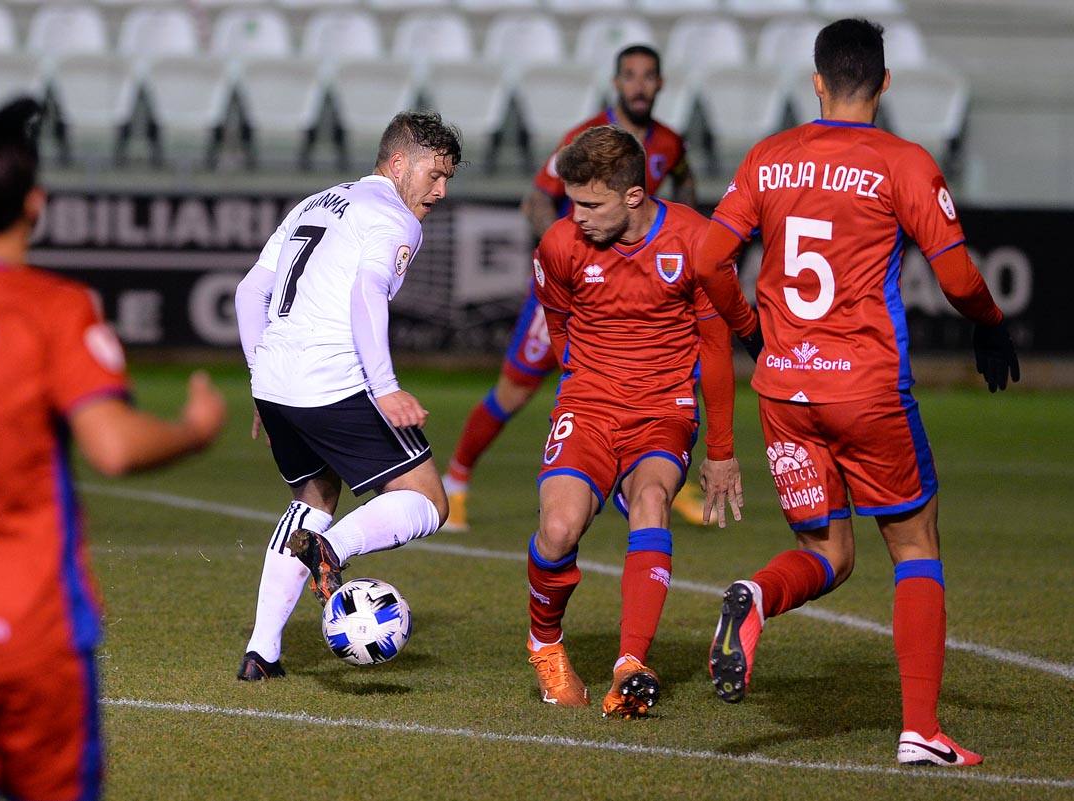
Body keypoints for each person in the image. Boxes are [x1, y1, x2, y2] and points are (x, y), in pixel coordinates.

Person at [695, 18, 1019, 766]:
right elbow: (959, 276)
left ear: (815, 82)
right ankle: (920, 730)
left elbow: (710, 262)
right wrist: (989, 324)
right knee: (913, 543)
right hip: (864, 387)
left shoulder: (768, 157)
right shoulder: (901, 162)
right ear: (884, 83)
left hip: (783, 389)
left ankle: (755, 593)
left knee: (827, 550)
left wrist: (751, 331)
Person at [0, 100, 226, 801]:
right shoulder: (51, 307)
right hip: (27, 635)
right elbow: (113, 447)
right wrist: (194, 427)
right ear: (35, 202)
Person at [442, 44, 709, 532]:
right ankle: (456, 480)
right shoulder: (581, 140)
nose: (639, 85)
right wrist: (567, 255)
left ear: (661, 84)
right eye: (630, 75)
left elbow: (684, 182)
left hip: (634, 288)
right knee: (515, 392)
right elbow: (536, 202)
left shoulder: (668, 143)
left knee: (658, 381)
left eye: (648, 76)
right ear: (616, 83)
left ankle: (668, 483)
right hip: (571, 293)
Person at [233, 111, 462, 681]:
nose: (441, 190)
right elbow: (366, 293)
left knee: (312, 496)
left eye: (449, 178)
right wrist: (384, 388)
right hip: (333, 381)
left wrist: (259, 380)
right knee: (429, 501)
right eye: (434, 174)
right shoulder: (394, 218)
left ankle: (262, 652)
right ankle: (332, 549)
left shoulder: (313, 203)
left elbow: (248, 292)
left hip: (277, 381)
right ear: (398, 162)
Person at [525, 125, 743, 719]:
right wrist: (587, 385)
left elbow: (717, 353)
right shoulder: (559, 246)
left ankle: (630, 665)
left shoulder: (696, 242)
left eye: (591, 204)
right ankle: (544, 644)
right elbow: (561, 330)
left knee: (651, 501)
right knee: (561, 530)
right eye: (572, 201)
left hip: (663, 408)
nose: (578, 216)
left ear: (633, 197)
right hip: (588, 404)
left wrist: (720, 451)